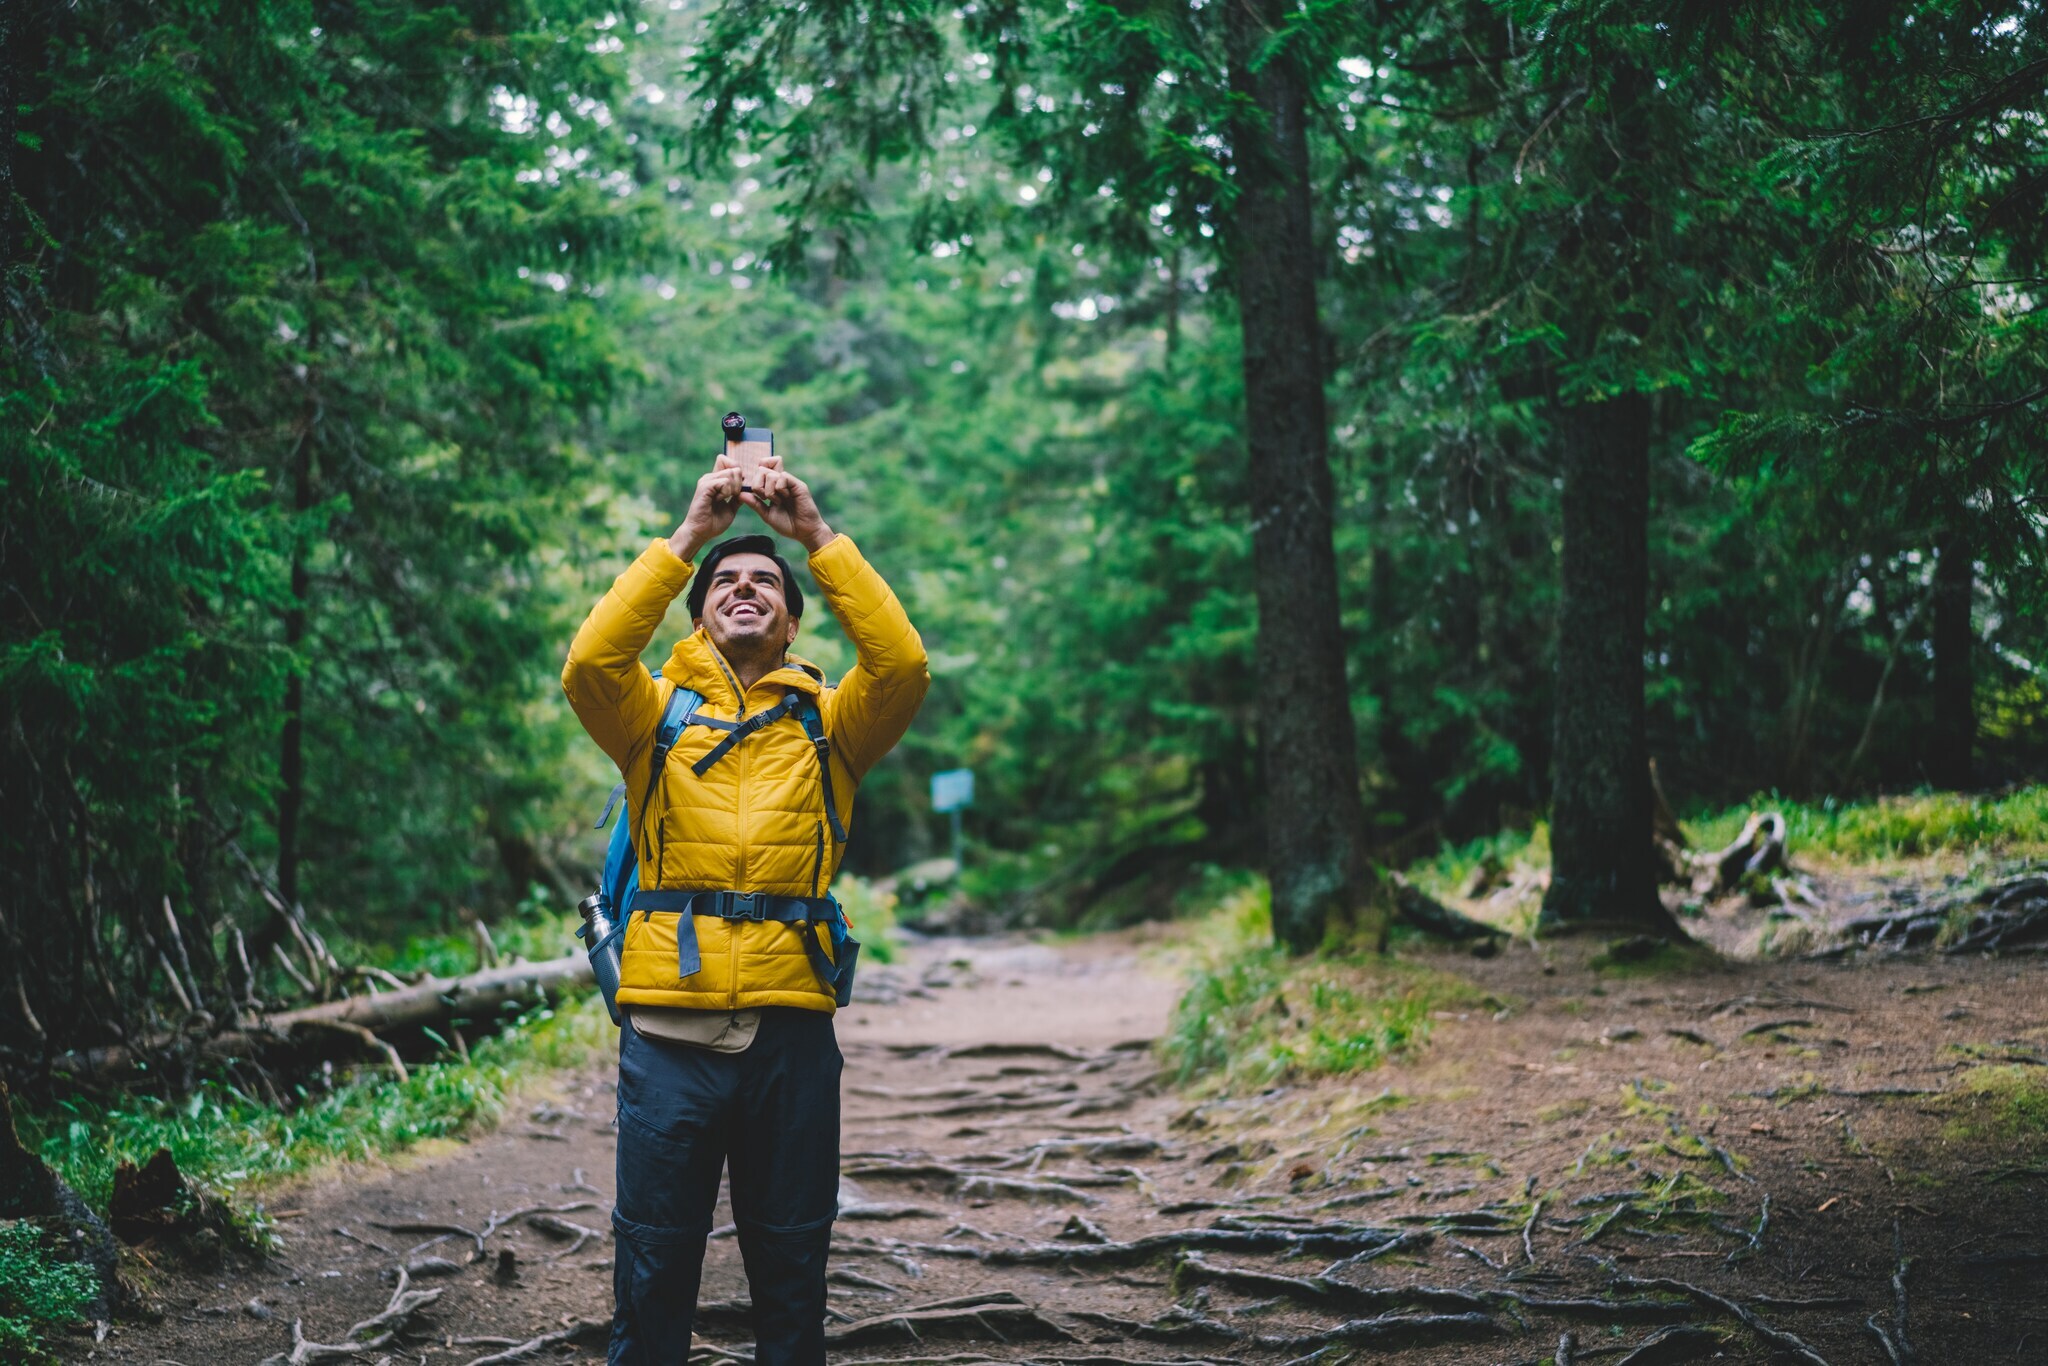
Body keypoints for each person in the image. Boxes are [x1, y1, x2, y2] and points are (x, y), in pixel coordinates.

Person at [561, 450, 929, 1364]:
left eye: (767, 582)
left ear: (794, 617)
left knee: (793, 1260)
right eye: (727, 582)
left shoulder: (834, 723)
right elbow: (589, 662)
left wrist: (816, 535)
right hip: (666, 1035)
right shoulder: (652, 717)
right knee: (653, 1264)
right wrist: (691, 536)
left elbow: (905, 663)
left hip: (791, 1033)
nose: (746, 589)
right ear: (699, 611)